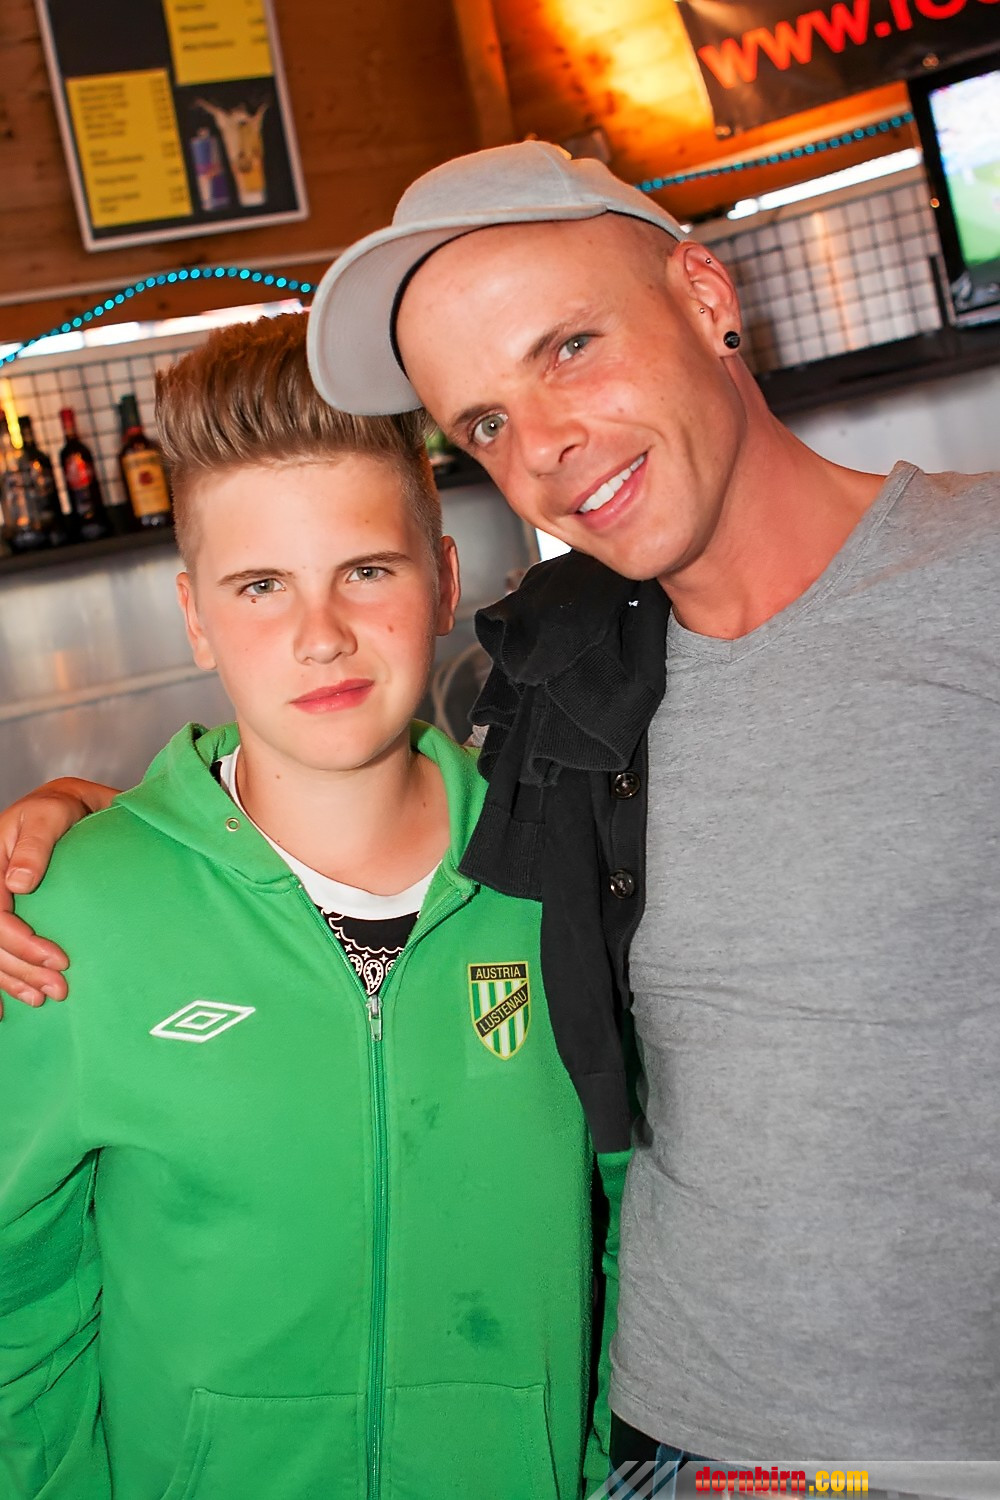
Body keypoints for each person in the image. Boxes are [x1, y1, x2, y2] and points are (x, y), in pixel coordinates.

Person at [3, 143, 999, 1486]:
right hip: (688, 1448)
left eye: (571, 347)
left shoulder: (556, 797)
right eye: (482, 422)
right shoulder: (557, 713)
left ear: (706, 294)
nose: (542, 446)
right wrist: (92, 834)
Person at [0, 312, 619, 1500]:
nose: (321, 635)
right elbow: (16, 1300)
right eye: (260, 586)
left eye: (366, 572)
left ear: (444, 581)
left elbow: (647, 1219)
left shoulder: (570, 872)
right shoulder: (74, 910)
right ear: (195, 616)